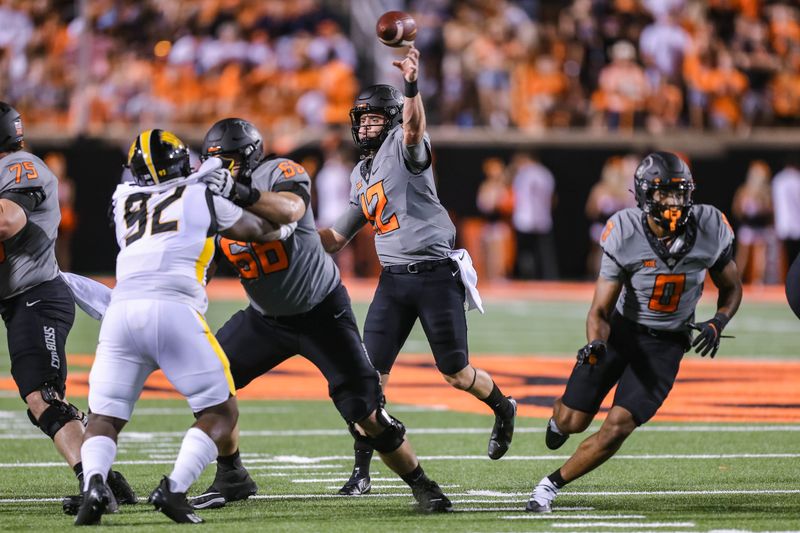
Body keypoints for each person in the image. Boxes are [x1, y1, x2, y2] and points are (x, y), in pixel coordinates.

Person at [190, 117, 453, 513]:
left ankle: (422, 483)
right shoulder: (210, 199)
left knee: (366, 412)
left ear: (247, 158)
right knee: (209, 381)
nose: (220, 170)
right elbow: (200, 258)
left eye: (227, 161)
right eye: (215, 162)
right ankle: (232, 474)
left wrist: (238, 192)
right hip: (265, 318)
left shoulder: (279, 172)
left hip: (321, 313)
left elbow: (292, 209)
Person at [318, 44, 517, 497]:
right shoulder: (360, 173)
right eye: (361, 118)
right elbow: (335, 238)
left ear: (389, 118)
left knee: (456, 372)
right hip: (393, 281)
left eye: (372, 117)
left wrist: (411, 83)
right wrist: (289, 236)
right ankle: (361, 470)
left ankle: (503, 406)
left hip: (434, 275)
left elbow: (414, 126)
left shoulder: (404, 145)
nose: (365, 125)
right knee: (367, 379)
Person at [74, 129, 284, 525]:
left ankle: (95, 485)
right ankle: (174, 488)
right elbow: (258, 231)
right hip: (173, 309)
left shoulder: (122, 200)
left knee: (104, 416)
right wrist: (288, 229)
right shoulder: (200, 195)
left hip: (122, 311)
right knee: (221, 411)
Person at [527, 152, 742, 513]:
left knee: (618, 425)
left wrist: (718, 321)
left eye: (678, 193)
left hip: (668, 342)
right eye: (663, 194)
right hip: (621, 332)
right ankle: (558, 421)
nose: (672, 202)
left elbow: (731, 286)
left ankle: (549, 486)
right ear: (644, 196)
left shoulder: (710, 226)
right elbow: (599, 309)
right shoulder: (625, 232)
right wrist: (595, 343)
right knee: (572, 420)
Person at [0, 102, 135, 513]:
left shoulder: (22, 165)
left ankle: (96, 485)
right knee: (41, 399)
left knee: (42, 396)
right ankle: (108, 479)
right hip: (16, 298)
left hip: (37, 295)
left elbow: (7, 220)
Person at [732, 160, 773, 284]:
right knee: (742, 255)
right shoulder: (744, 190)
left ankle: (758, 281)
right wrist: (744, 212)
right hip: (747, 226)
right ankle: (736, 279)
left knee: (761, 256)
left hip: (760, 226)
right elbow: (736, 209)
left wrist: (762, 208)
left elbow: (771, 209)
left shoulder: (766, 192)